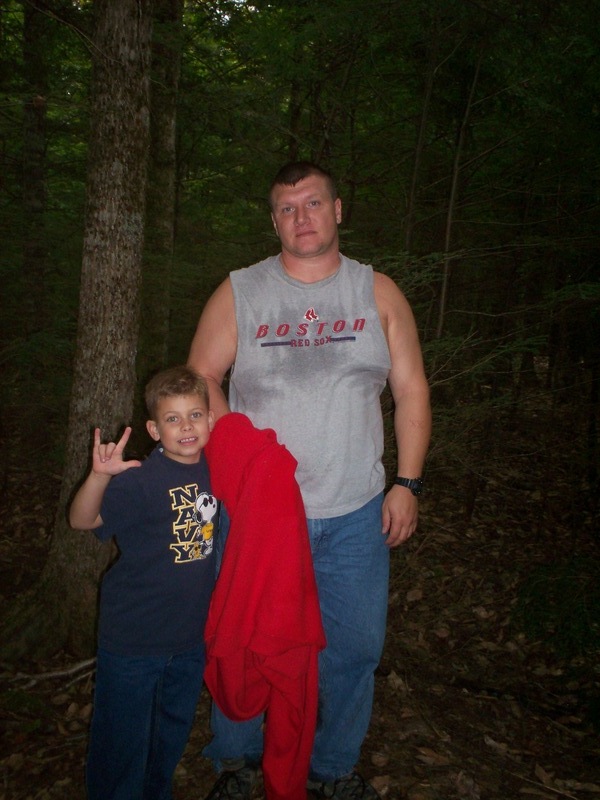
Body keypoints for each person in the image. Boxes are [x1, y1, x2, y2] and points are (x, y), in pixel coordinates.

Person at [188, 161, 431, 800]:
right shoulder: (240, 292)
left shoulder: (377, 293)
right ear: (274, 220)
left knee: (352, 652)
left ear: (338, 209)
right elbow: (200, 378)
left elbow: (410, 390)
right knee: (246, 638)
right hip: (259, 517)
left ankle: (331, 769)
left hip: (354, 514)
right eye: (288, 208)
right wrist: (239, 462)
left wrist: (408, 482)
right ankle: (237, 765)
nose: (302, 217)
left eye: (314, 203)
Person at [69, 365, 218, 800]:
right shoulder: (139, 478)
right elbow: (82, 521)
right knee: (122, 742)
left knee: (169, 736)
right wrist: (100, 475)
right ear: (154, 428)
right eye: (173, 419)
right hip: (133, 640)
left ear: (210, 419)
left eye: (195, 415)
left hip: (189, 640)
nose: (186, 427)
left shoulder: (217, 471)